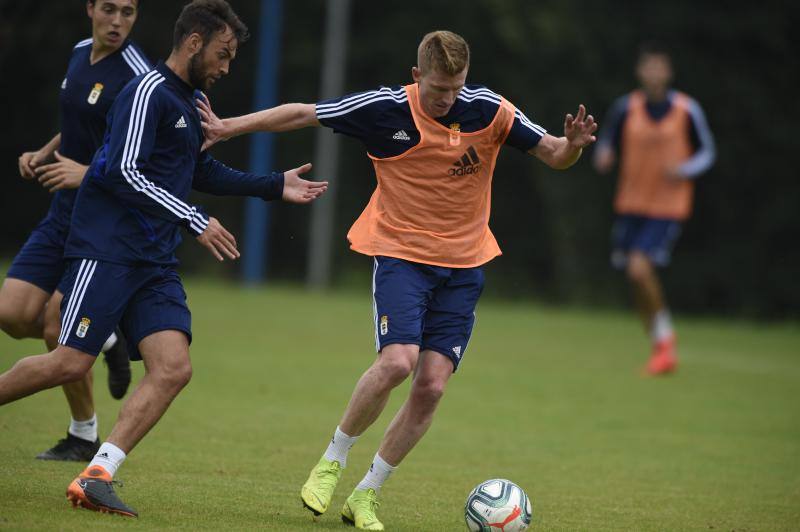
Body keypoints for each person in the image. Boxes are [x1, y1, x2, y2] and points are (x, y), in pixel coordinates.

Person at [198, 30, 597, 530]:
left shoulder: (491, 111)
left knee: (431, 386)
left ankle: (366, 495)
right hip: (400, 255)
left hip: (464, 265)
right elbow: (303, 113)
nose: (448, 99)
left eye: (456, 88)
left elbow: (555, 154)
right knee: (398, 362)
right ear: (416, 77)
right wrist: (228, 126)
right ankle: (332, 461)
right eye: (437, 89)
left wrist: (574, 147)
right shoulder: (384, 108)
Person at [0, 0, 327, 517]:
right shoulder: (146, 91)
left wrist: (272, 185)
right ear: (194, 43)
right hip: (107, 251)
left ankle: (96, 474)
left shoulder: (189, 99)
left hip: (154, 260)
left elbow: (199, 171)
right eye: (222, 54)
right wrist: (194, 220)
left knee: (173, 368)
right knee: (69, 361)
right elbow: (122, 171)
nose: (225, 67)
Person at [2, 0, 151, 462]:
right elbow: (77, 126)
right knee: (12, 313)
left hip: (102, 220)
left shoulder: (138, 77)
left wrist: (85, 173)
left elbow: (140, 158)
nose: (118, 21)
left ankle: (83, 434)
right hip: (62, 212)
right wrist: (45, 153)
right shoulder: (79, 51)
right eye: (109, 9)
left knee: (56, 326)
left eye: (128, 12)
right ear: (90, 8)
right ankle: (105, 336)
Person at [593, 43, 715, 375]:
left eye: (660, 67)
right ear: (640, 72)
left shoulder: (687, 109)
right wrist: (604, 155)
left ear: (669, 72)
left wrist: (685, 169)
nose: (654, 73)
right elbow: (605, 141)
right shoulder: (626, 107)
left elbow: (707, 152)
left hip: (668, 205)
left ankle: (665, 341)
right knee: (634, 278)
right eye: (649, 67)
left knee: (639, 269)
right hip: (631, 202)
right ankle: (658, 346)